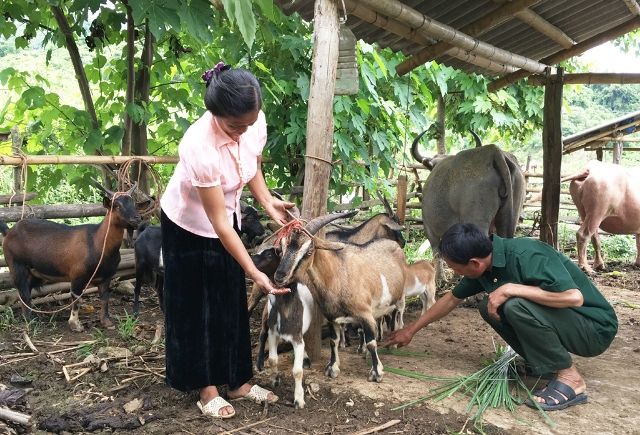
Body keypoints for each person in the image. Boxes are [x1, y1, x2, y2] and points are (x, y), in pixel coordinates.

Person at [160, 62, 294, 419]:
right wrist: (253, 270)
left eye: (248, 125)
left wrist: (267, 201)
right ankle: (205, 389)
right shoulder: (198, 146)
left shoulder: (252, 123)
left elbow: (251, 168)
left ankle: (238, 382)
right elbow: (218, 224)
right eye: (235, 126)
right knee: (196, 307)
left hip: (226, 219)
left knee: (229, 301)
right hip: (187, 227)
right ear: (215, 113)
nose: (242, 133)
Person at [385, 223, 618, 412]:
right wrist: (411, 330)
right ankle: (546, 364)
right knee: (489, 306)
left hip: (593, 328)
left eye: (455, 268)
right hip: (570, 323)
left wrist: (510, 289)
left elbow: (574, 298)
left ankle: (571, 379)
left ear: (474, 263)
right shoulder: (487, 265)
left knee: (514, 305)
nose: (455, 273)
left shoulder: (527, 254)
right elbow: (450, 300)